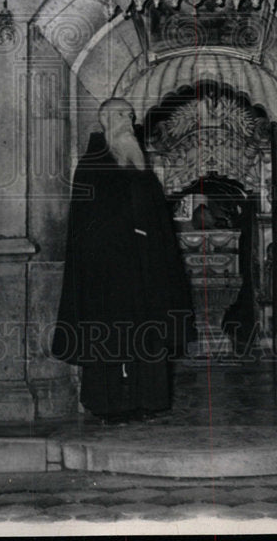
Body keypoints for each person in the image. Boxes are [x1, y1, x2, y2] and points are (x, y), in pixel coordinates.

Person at [52, 98, 195, 424]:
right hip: (108, 274)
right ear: (104, 119)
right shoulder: (92, 165)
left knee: (148, 335)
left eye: (131, 115)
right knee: (109, 338)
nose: (129, 120)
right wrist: (127, 236)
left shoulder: (138, 162)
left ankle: (149, 400)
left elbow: (156, 218)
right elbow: (89, 223)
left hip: (145, 271)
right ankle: (110, 405)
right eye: (121, 114)